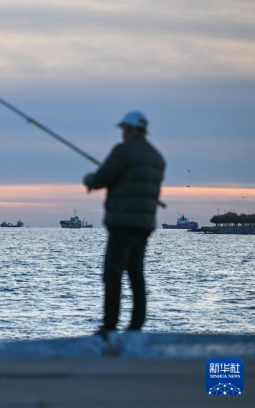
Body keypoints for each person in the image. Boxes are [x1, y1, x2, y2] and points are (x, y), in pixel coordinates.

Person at [83, 111, 165, 339]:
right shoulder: (157, 157)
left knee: (113, 274)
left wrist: (89, 179)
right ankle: (136, 327)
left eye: (124, 129)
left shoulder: (123, 150)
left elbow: (101, 179)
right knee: (136, 275)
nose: (122, 133)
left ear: (130, 129)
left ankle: (110, 327)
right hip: (144, 225)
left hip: (122, 224)